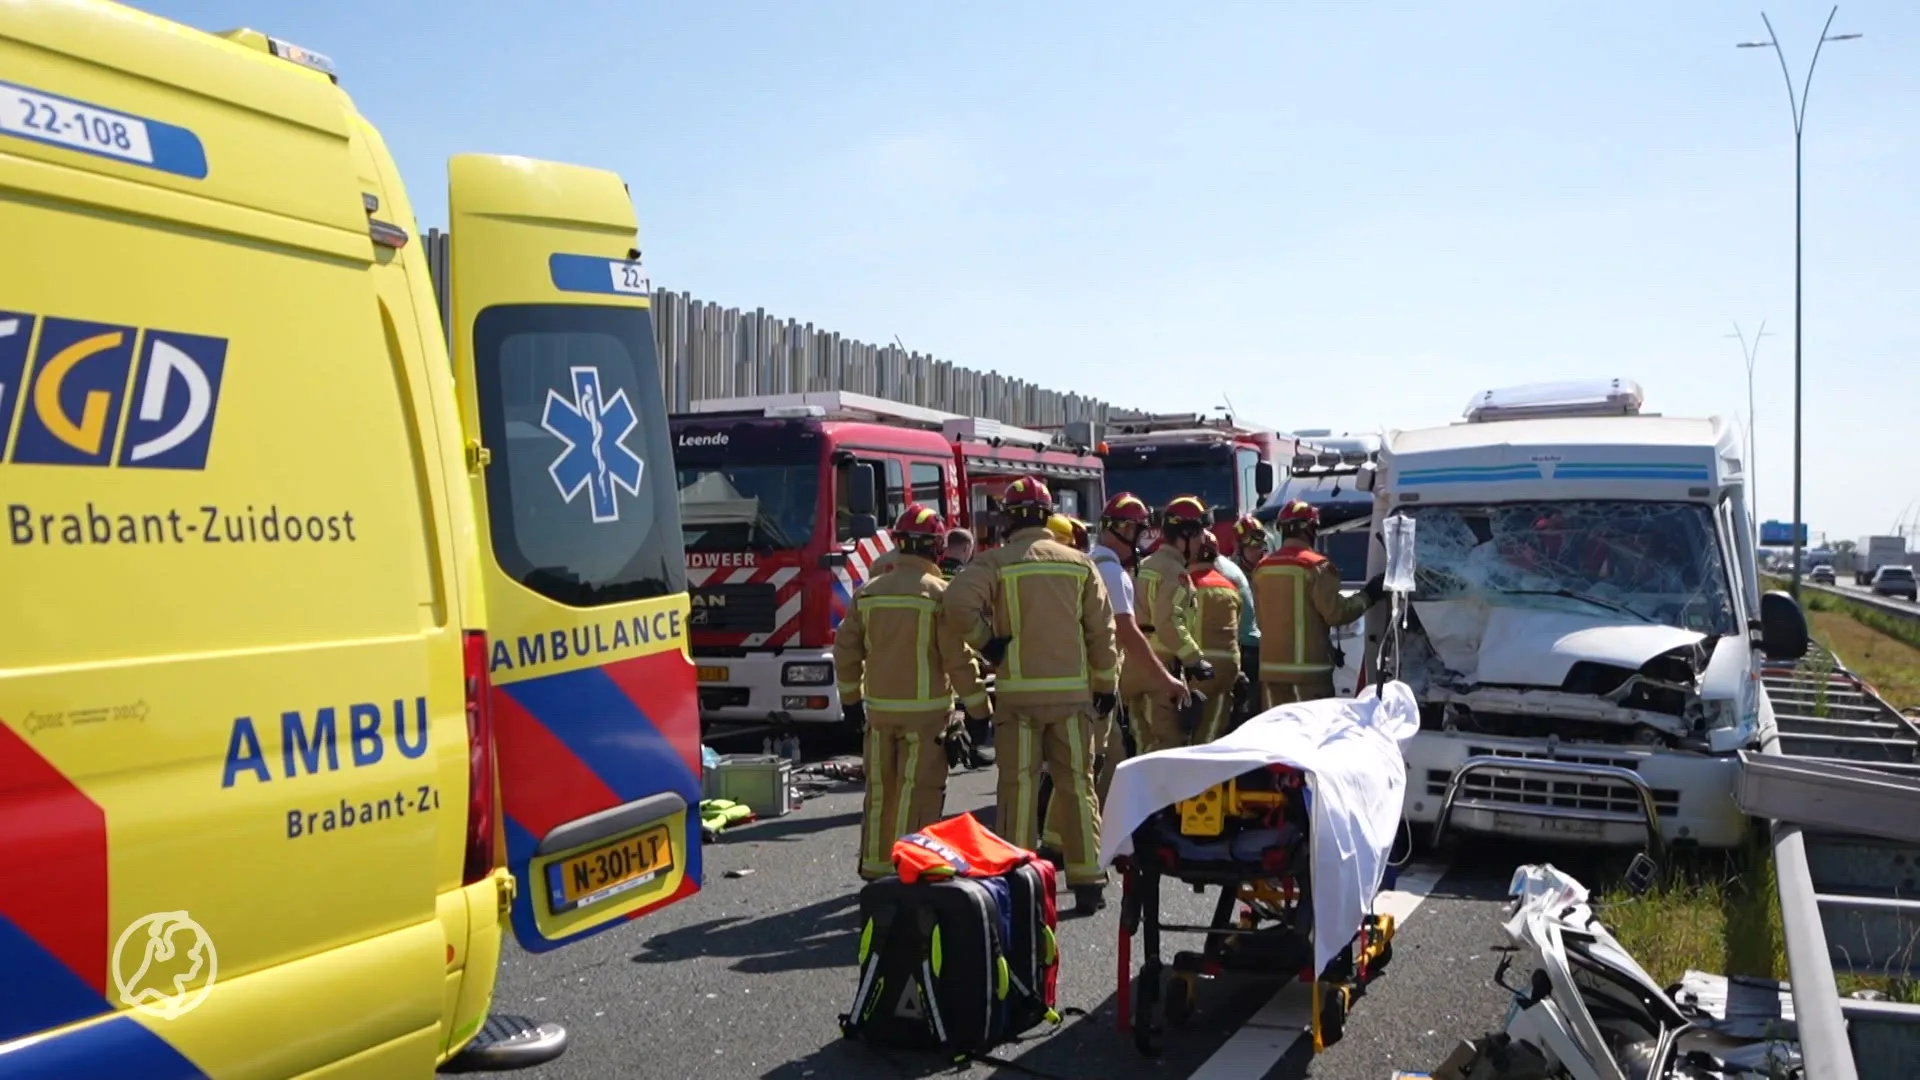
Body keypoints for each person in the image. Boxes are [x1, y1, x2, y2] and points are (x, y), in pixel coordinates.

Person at [943, 475, 1118, 912]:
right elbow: (1102, 632)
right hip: (1073, 700)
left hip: (1018, 699)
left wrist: (987, 642)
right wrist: (1105, 686)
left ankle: (1016, 881)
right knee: (1077, 787)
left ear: (1007, 520)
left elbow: (956, 604)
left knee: (1017, 788)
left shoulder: (994, 563)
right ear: (1048, 515)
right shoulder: (1080, 563)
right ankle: (1088, 881)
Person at [835, 504, 988, 881]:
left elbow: (846, 651)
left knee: (880, 794)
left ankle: (874, 868)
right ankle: (907, 870)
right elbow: (958, 659)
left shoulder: (869, 592)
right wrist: (978, 709)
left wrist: (851, 702)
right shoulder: (940, 594)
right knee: (916, 794)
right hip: (927, 717)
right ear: (936, 548)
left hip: (880, 714)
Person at [1040, 492, 1181, 859]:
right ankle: (1086, 843)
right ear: (1124, 529)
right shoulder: (1112, 573)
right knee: (1098, 766)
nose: (1142, 537)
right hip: (1095, 685)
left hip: (1080, 678)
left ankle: (1058, 841)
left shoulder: (1091, 562)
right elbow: (1127, 632)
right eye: (1138, 529)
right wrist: (1166, 679)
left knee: (1081, 764)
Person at [1253, 499, 1384, 708]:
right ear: (1309, 530)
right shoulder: (1317, 566)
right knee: (1310, 735)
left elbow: (1261, 621)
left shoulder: (1262, 568)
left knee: (1276, 735)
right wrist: (1369, 595)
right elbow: (1337, 613)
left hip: (1270, 672)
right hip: (1309, 675)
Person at [1130, 495, 1213, 754]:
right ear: (1186, 534)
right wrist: (1194, 659)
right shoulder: (1174, 573)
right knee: (1168, 746)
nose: (1203, 541)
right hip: (1161, 669)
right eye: (1200, 533)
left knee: (1142, 744)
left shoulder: (1145, 565)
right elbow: (1168, 622)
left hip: (1133, 667)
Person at [1186, 534, 1244, 743]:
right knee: (1212, 736)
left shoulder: (1187, 584)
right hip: (1228, 670)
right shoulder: (1230, 587)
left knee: (1185, 737)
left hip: (1196, 671)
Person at [1226, 514, 1268, 724]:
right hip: (1242, 648)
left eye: (1260, 546)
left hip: (1264, 648)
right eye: (1252, 547)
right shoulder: (1230, 575)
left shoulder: (1269, 570)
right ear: (1239, 547)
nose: (1257, 552)